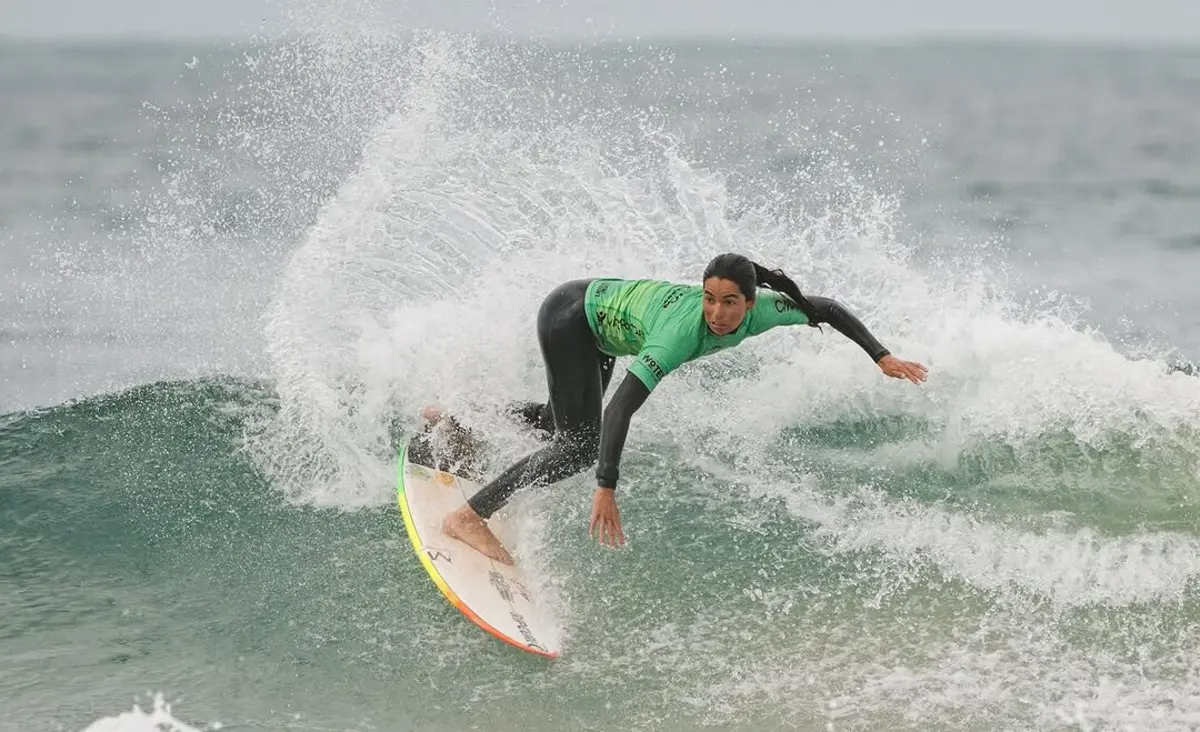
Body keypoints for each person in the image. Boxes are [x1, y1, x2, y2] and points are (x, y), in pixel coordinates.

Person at [437, 252, 928, 564]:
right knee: (580, 446)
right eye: (710, 299)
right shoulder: (678, 335)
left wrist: (882, 356)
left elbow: (828, 309)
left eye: (730, 302)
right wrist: (606, 485)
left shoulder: (767, 311)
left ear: (751, 302)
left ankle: (460, 418)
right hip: (572, 318)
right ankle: (468, 518)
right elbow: (621, 409)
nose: (717, 313)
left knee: (557, 422)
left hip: (599, 323)